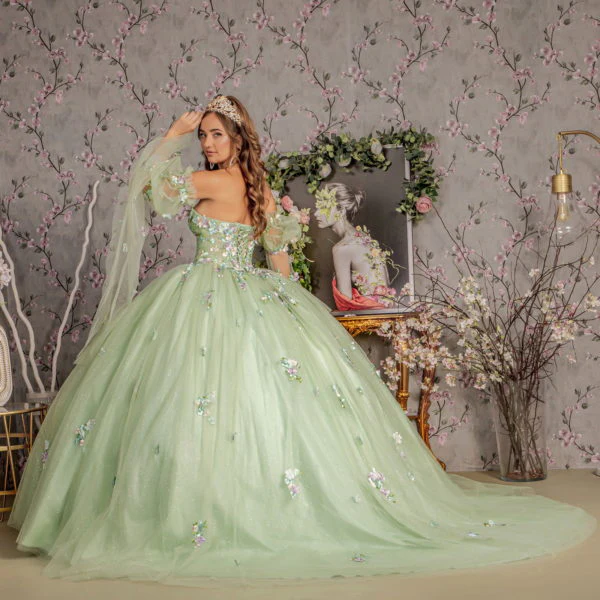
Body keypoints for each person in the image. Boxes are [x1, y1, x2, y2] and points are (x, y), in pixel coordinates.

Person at [8, 95, 595, 584]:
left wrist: (171, 135)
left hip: (206, 291)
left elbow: (148, 190)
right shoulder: (259, 190)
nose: (205, 143)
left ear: (237, 138)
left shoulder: (210, 183)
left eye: (214, 134)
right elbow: (281, 264)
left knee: (192, 405)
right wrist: (292, 314)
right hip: (251, 294)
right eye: (202, 135)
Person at [313, 182, 397, 311]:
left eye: (323, 208)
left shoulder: (342, 248)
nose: (316, 214)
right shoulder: (365, 239)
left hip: (369, 317)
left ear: (341, 211)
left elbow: (345, 304)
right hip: (387, 312)